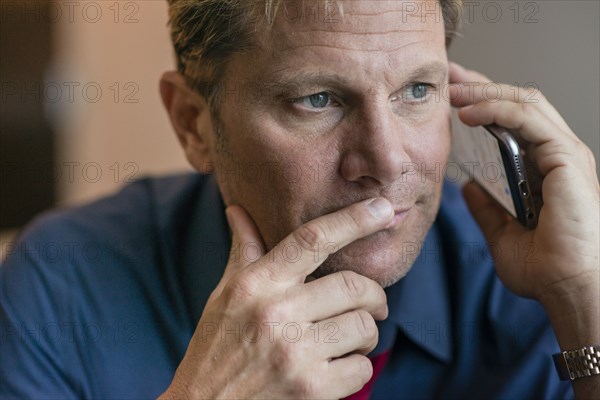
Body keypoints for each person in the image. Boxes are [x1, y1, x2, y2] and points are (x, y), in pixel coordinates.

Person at [1, 0, 598, 398]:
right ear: (193, 124)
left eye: (416, 90)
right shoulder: (61, 286)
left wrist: (584, 302)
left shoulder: (529, 280)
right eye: (318, 99)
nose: (388, 161)